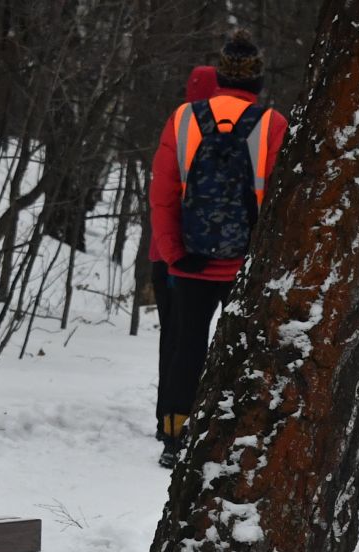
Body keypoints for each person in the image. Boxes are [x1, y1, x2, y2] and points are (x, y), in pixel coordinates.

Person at [149, 29, 289, 467]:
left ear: (221, 74)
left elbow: (164, 194)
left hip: (191, 259)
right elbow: (281, 201)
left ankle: (175, 437)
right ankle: (235, 433)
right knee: (246, 348)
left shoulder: (184, 118)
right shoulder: (272, 124)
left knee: (185, 346)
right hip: (244, 263)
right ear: (258, 80)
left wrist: (174, 253)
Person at [149, 65, 219, 444]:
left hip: (163, 254)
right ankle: (180, 417)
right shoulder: (219, 134)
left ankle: (167, 416)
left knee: (174, 340)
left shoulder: (177, 128)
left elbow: (162, 196)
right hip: (195, 257)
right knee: (188, 340)